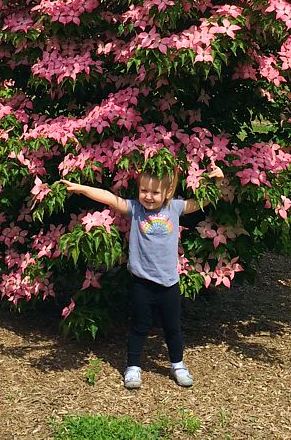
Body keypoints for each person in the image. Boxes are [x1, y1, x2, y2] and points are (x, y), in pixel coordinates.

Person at [62, 163, 224, 390]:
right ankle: (133, 367)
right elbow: (109, 197)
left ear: (167, 192)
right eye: (144, 191)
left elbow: (202, 201)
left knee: (173, 328)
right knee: (139, 327)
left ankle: (177, 364)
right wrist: (81, 188)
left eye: (155, 192)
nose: (148, 196)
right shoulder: (135, 209)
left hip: (169, 285)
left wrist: (217, 181)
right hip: (142, 285)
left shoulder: (175, 208)